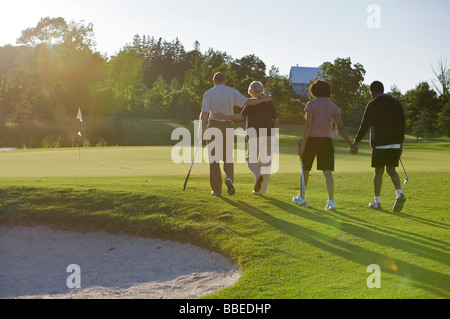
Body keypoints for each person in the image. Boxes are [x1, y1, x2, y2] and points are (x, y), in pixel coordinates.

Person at [199, 72, 271, 197]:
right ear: (225, 81)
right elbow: (248, 102)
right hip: (227, 125)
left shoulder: (208, 93)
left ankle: (217, 190)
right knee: (228, 156)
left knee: (214, 159)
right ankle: (229, 179)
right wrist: (264, 99)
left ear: (213, 81)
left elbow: (204, 113)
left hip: (213, 125)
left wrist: (200, 129)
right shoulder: (232, 91)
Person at [293, 80, 356, 210]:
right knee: (327, 172)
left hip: (312, 141)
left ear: (314, 91)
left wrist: (303, 145)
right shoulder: (333, 106)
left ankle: (301, 197)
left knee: (305, 170)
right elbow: (341, 127)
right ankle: (331, 201)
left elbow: (308, 126)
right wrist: (350, 144)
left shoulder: (310, 104)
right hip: (326, 142)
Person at [214, 81, 279, 195]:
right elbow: (276, 120)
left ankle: (258, 175)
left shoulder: (250, 103)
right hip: (269, 134)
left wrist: (224, 117)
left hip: (255, 134)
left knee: (250, 161)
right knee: (266, 163)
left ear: (251, 91)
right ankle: (260, 191)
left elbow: (241, 117)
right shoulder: (269, 102)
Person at [352, 81, 406, 212]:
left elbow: (364, 125)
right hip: (395, 143)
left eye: (370, 92)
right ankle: (399, 193)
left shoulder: (373, 104)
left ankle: (377, 202)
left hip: (380, 143)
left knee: (378, 172)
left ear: (373, 91)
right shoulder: (396, 102)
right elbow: (402, 123)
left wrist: (356, 142)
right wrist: (401, 143)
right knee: (391, 170)